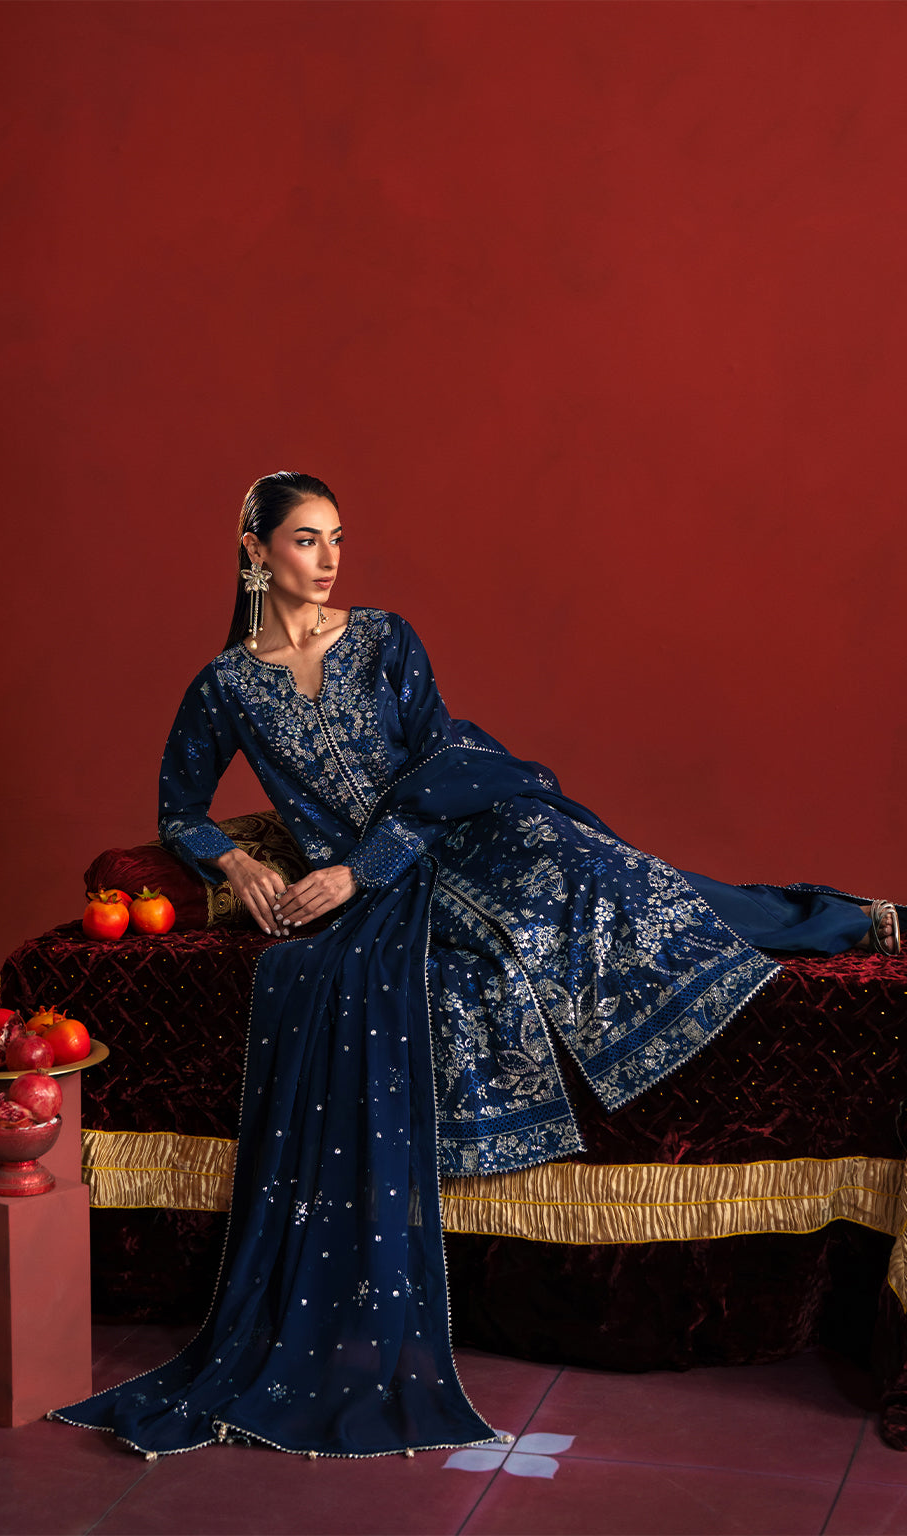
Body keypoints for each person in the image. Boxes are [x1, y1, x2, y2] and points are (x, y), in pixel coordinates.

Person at [52, 471, 900, 1460]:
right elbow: (180, 811)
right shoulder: (227, 686)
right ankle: (843, 921)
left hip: (464, 829)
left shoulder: (383, 637)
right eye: (306, 540)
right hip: (383, 898)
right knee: (537, 940)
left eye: (337, 538)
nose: (329, 560)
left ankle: (846, 921)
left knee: (626, 886)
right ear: (254, 550)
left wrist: (357, 868)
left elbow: (437, 764)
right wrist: (237, 864)